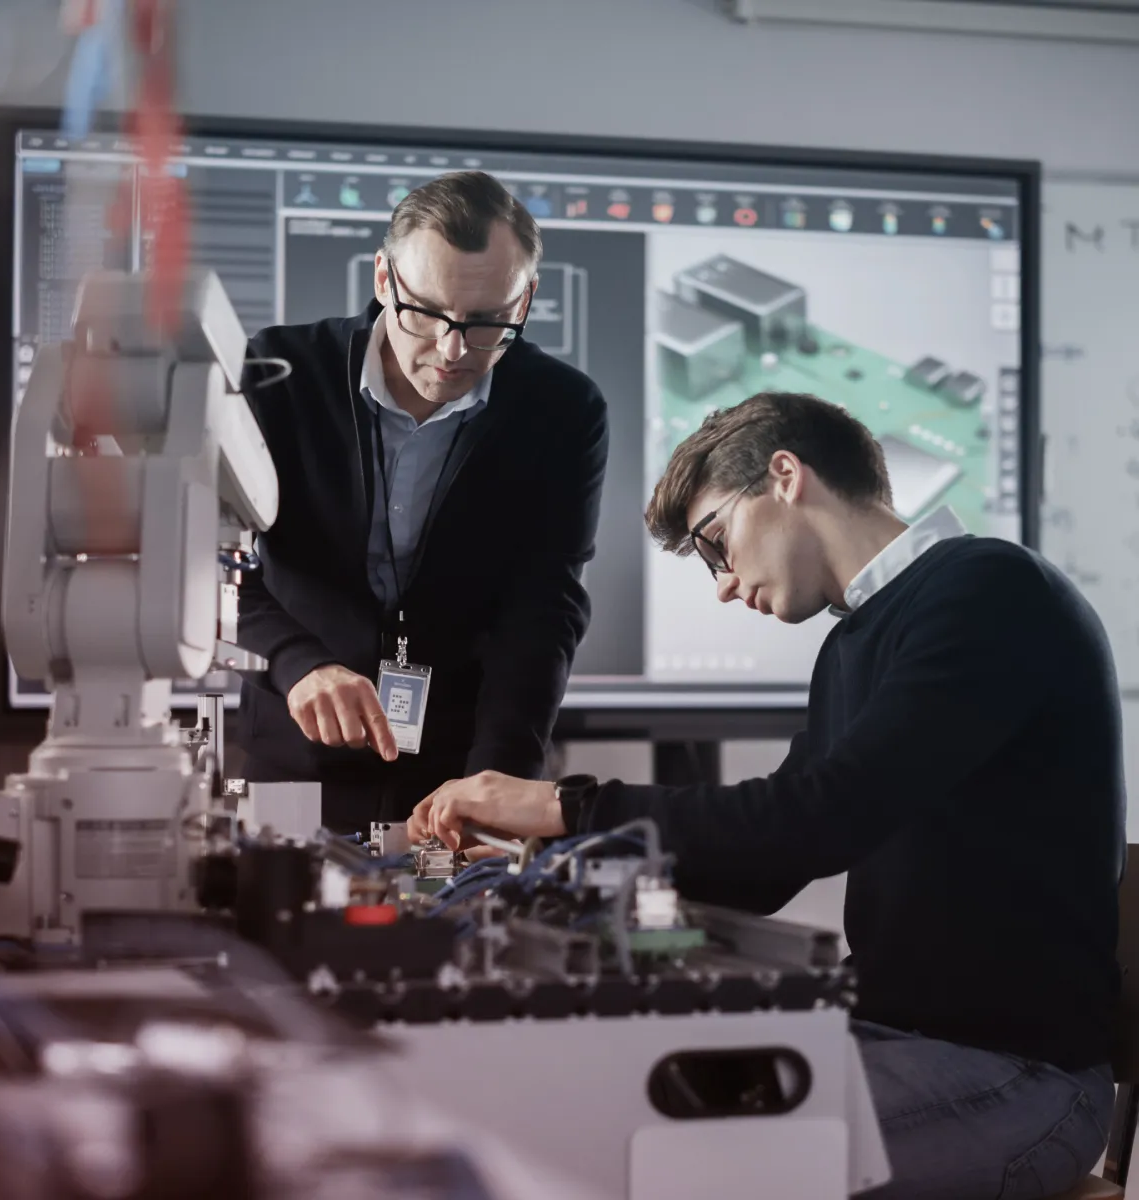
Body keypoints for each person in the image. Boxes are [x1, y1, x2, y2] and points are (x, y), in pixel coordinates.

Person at [407, 391, 1124, 1200]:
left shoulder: (990, 592)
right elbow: (761, 867)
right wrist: (545, 870)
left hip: (1018, 1078)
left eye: (716, 542)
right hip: (887, 1036)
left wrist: (562, 805)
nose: (721, 583)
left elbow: (809, 823)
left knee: (659, 1163)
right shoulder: (856, 640)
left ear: (785, 475)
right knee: (582, 1099)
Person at [236, 171, 608, 832]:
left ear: (525, 302)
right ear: (383, 279)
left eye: (488, 323)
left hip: (459, 761)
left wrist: (500, 784)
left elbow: (543, 610)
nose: (453, 351)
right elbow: (212, 564)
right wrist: (298, 662)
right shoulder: (276, 375)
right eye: (428, 314)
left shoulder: (564, 411)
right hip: (290, 746)